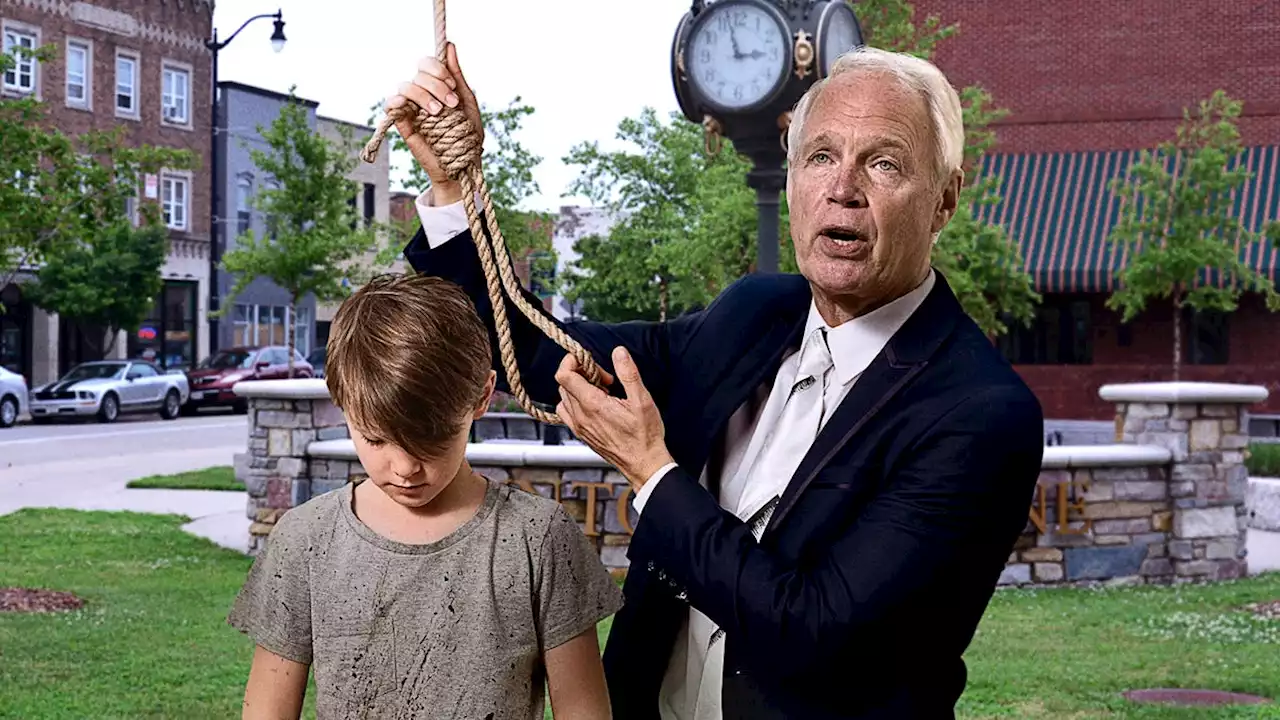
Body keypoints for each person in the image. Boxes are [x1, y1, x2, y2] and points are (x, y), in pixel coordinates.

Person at [391, 43, 1044, 719]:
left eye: (883, 164)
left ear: (943, 201)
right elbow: (535, 350)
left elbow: (813, 633)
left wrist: (652, 475)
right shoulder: (751, 315)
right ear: (793, 180)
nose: (842, 187)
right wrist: (450, 188)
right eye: (821, 156)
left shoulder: (981, 414)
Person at [226, 273, 623, 720]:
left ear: (482, 396)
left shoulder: (540, 539)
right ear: (340, 401)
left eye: (430, 438)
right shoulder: (304, 541)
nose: (405, 467)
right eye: (376, 440)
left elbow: (584, 711)